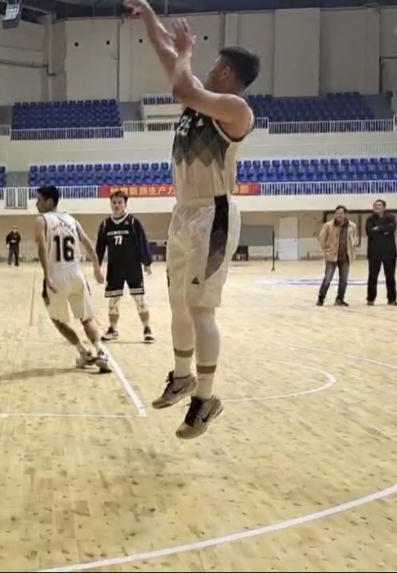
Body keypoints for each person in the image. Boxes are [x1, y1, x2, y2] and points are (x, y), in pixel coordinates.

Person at [128, 0, 260, 439]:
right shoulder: (199, 101)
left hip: (214, 214)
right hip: (184, 212)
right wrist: (150, 18)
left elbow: (182, 86)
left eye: (213, 64)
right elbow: (169, 60)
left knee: (202, 308)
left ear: (225, 71)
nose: (205, 67)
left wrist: (186, 50)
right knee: (179, 303)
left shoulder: (236, 110)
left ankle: (206, 399)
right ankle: (182, 376)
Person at [34, 186, 111, 374]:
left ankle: (83, 352)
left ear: (49, 201)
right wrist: (96, 267)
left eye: (39, 200)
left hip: (57, 275)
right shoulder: (71, 219)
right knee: (87, 318)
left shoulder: (41, 220)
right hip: (77, 274)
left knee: (57, 319)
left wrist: (47, 275)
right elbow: (88, 243)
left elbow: (42, 248)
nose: (36, 204)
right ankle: (101, 351)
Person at [96, 191, 155, 343]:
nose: (117, 205)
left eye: (120, 202)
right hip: (114, 268)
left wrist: (147, 262)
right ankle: (113, 329)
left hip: (132, 266)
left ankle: (147, 329)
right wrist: (97, 266)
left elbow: (142, 242)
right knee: (113, 300)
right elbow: (99, 248)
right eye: (114, 202)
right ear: (110, 204)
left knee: (139, 298)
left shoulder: (133, 222)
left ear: (125, 204)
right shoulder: (105, 224)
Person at [317, 205, 356, 307]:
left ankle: (340, 299)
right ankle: (321, 298)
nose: (339, 215)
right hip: (332, 256)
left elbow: (353, 239)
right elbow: (321, 238)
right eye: (337, 213)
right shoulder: (328, 225)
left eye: (341, 213)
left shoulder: (352, 226)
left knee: (344, 280)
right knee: (327, 278)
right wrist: (326, 250)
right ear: (334, 214)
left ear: (345, 214)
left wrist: (352, 252)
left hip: (345, 257)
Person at [365, 198, 397, 306]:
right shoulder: (370, 219)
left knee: (390, 277)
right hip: (374, 253)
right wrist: (384, 231)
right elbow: (370, 232)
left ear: (384, 207)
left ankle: (392, 299)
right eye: (375, 205)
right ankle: (370, 299)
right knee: (372, 277)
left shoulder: (391, 217)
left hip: (389, 252)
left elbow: (391, 229)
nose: (377, 207)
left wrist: (378, 228)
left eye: (379, 205)